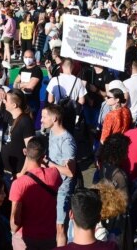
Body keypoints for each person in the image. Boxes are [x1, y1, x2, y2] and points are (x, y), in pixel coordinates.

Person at [9, 136, 61, 250]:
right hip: (49, 236)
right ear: (43, 156)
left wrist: (13, 232)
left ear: (25, 152)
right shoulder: (54, 174)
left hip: (25, 237)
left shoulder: (18, 184)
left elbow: (15, 219)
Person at [41, 104, 78, 246]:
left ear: (54, 118)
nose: (41, 120)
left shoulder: (67, 141)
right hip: (53, 186)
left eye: (44, 117)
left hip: (63, 190)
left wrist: (49, 164)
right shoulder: (52, 132)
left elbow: (70, 171)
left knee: (60, 227)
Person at [2, 89, 35, 179]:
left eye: (6, 100)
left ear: (14, 105)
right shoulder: (9, 115)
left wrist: (22, 173)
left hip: (18, 172)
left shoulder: (25, 121)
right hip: (7, 171)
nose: (3, 101)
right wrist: (0, 91)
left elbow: (31, 150)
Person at [15, 49, 44, 117]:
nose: (27, 59)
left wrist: (20, 85)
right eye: (26, 57)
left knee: (30, 122)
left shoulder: (37, 70)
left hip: (32, 102)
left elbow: (30, 88)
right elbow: (14, 84)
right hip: (21, 100)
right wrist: (25, 84)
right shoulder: (22, 69)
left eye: (30, 57)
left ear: (34, 58)